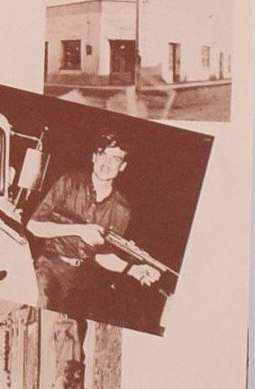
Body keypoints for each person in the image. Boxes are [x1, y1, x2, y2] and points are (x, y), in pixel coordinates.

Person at [26, 134, 163, 332]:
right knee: (42, 320)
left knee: (77, 332)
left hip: (84, 278)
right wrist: (79, 230)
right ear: (94, 157)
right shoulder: (68, 182)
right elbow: (33, 225)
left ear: (122, 167)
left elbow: (102, 256)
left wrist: (132, 270)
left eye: (115, 159)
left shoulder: (122, 209)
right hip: (50, 267)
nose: (106, 163)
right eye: (103, 155)